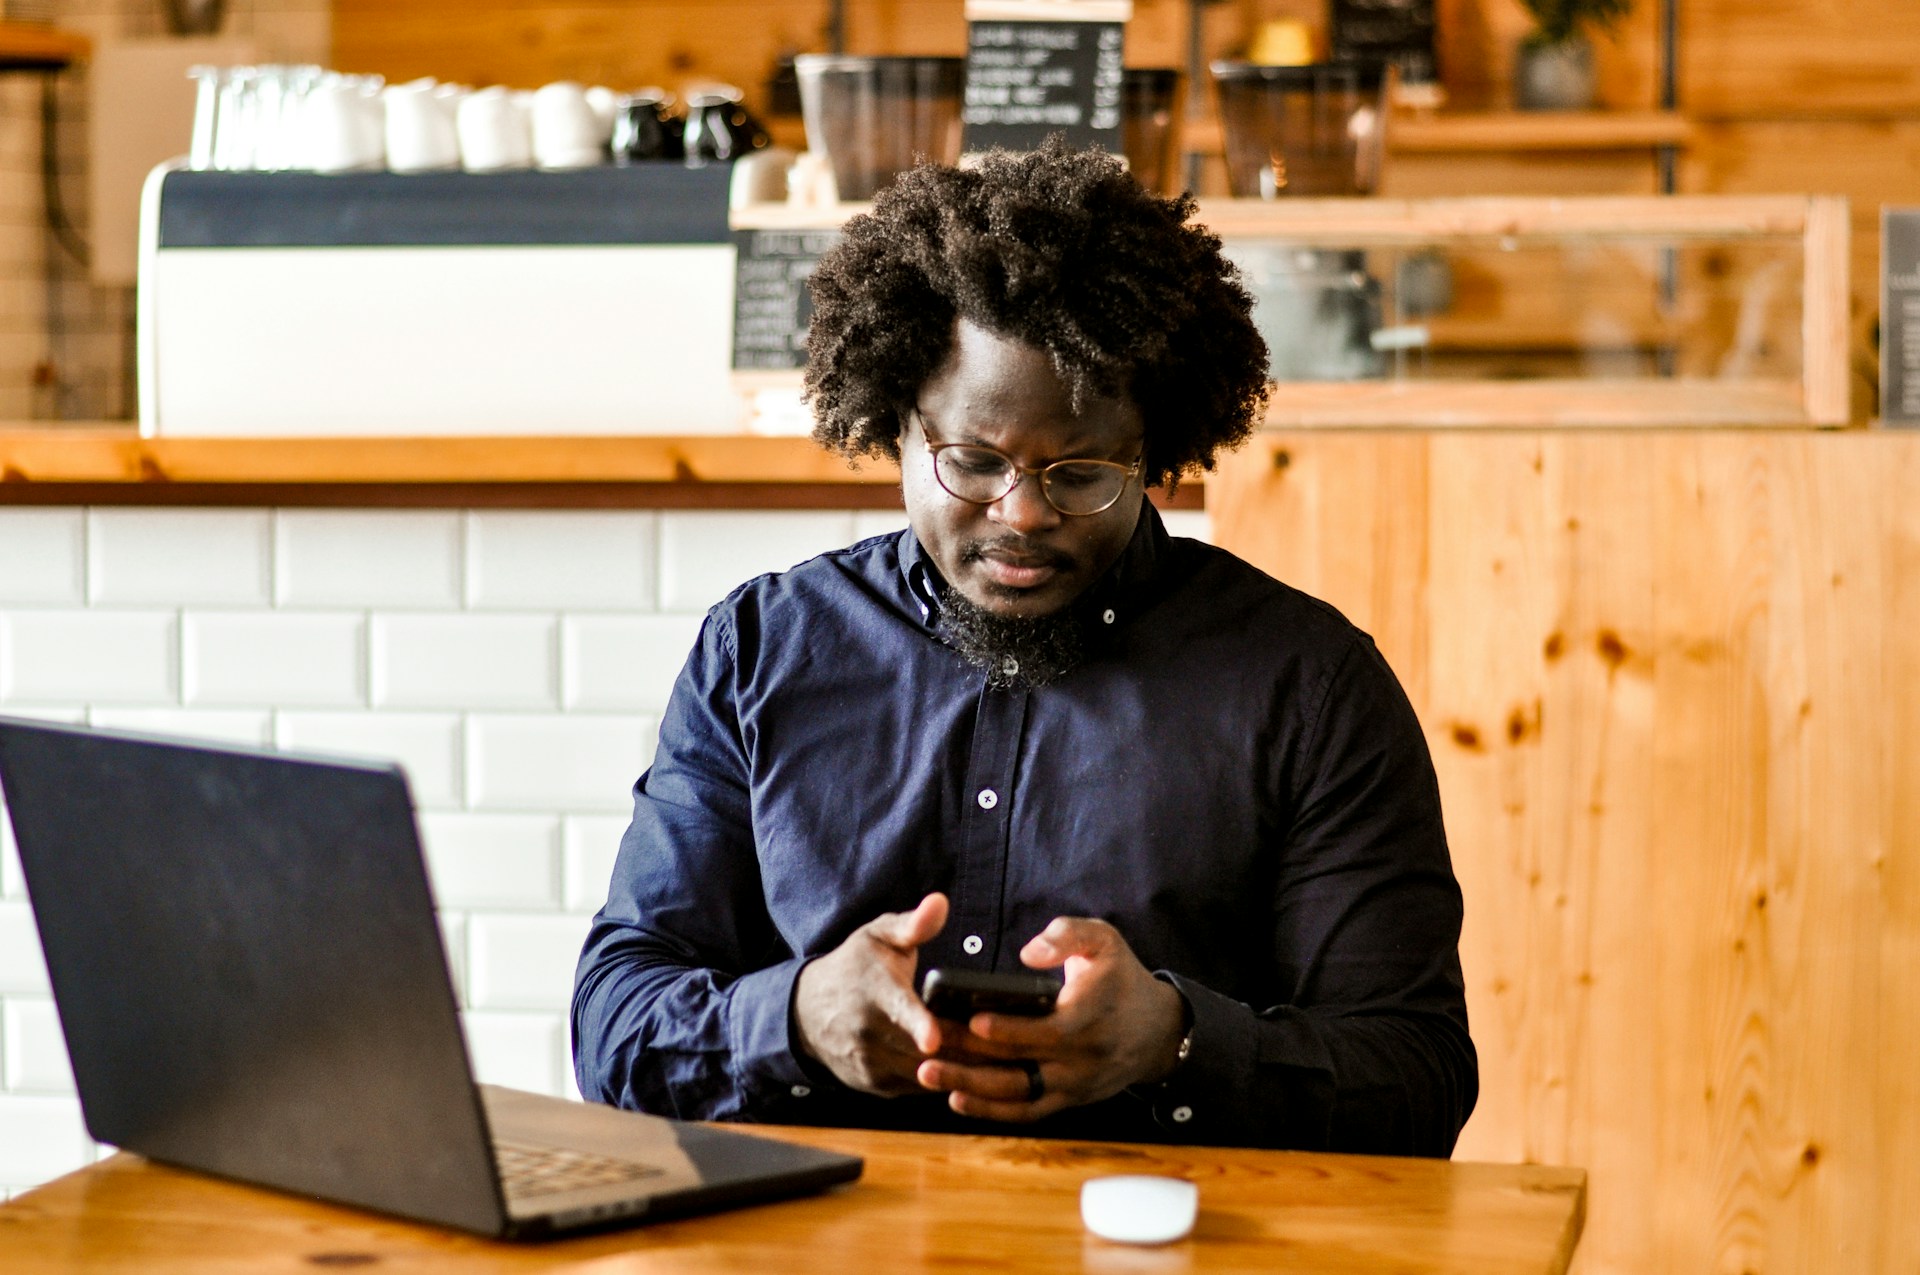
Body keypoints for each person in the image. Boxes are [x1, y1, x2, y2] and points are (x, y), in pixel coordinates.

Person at [573, 141, 1476, 1156]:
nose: (1024, 515)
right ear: (897, 426)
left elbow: (1416, 1078)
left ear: (1157, 447)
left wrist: (1176, 1045)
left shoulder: (1308, 688)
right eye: (973, 461)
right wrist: (792, 1022)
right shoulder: (763, 651)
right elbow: (613, 1023)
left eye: (1082, 473)